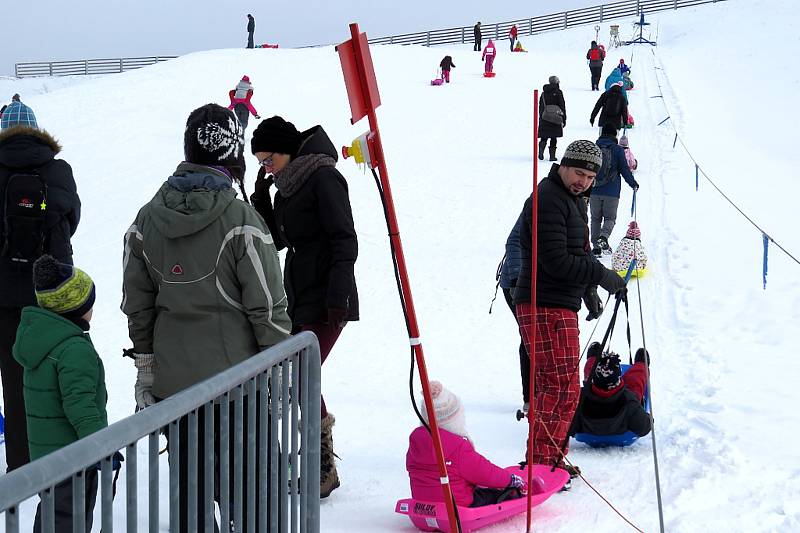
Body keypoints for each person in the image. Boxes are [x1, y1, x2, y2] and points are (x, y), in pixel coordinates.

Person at [121, 103, 291, 532]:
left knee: (191, 496)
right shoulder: (241, 221)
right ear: (230, 155)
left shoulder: (146, 220)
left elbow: (138, 303)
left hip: (178, 390)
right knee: (254, 498)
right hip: (240, 387)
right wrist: (280, 367)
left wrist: (147, 367)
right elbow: (267, 306)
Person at [250, 115, 359, 499]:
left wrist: (337, 296)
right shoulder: (288, 187)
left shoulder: (324, 177)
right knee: (301, 376)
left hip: (328, 297)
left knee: (300, 375)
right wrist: (261, 200)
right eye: (261, 161)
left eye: (268, 159)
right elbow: (279, 240)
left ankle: (323, 466)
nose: (266, 167)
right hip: (299, 295)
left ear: (287, 149)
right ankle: (319, 463)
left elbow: (345, 239)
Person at [512, 140, 628, 477]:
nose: (584, 181)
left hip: (560, 302)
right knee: (556, 386)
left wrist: (589, 289)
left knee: (563, 387)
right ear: (563, 165)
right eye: (579, 173)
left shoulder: (572, 200)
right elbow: (556, 261)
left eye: (591, 177)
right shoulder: (549, 198)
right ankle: (540, 464)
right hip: (544, 303)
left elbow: (577, 253)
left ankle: (550, 459)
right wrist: (601, 275)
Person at [0, 101, 80, 473]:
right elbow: (72, 217)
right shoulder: (58, 170)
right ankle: (41, 466)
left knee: (9, 381)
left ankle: (16, 470)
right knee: (40, 382)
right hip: (46, 293)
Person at [14, 255, 104, 532]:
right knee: (70, 520)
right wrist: (104, 446)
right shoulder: (73, 350)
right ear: (74, 309)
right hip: (74, 456)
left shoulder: (41, 338)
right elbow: (81, 406)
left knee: (54, 514)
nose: (92, 309)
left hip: (47, 453)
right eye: (90, 303)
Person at [406, 381, 532, 507]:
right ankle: (515, 494)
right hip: (455, 509)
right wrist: (512, 480)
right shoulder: (457, 447)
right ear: (453, 420)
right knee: (497, 494)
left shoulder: (416, 444)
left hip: (422, 507)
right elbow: (486, 473)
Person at [568, 344, 651, 438]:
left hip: (590, 406)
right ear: (619, 380)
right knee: (635, 381)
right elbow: (644, 427)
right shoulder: (629, 401)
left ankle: (594, 358)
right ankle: (641, 365)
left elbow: (568, 426)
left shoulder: (580, 398)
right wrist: (649, 419)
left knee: (591, 371)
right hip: (620, 425)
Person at [497, 214, 529, 415]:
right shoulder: (542, 200)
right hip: (517, 283)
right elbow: (514, 241)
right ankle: (531, 397)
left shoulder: (576, 204)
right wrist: (517, 278)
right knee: (531, 336)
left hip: (543, 282)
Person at [590, 124, 638, 255]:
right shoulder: (617, 150)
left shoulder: (594, 148)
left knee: (595, 219)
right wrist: (633, 183)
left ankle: (596, 248)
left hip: (594, 190)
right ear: (614, 136)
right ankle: (603, 237)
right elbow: (624, 170)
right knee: (610, 218)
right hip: (612, 191)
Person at [538, 75, 566, 162]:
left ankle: (541, 152)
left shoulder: (543, 93)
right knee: (554, 137)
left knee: (544, 136)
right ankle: (552, 156)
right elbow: (562, 105)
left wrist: (542, 116)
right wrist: (564, 118)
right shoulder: (558, 92)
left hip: (545, 117)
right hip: (556, 118)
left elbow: (541, 106)